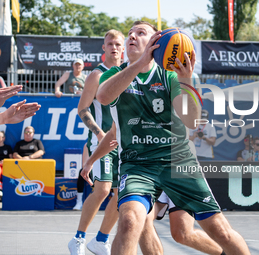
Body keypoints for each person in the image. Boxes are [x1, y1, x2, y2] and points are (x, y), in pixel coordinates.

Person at [82, 21, 250, 255]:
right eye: (130, 33)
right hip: (138, 164)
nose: (132, 37)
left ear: (156, 43)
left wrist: (187, 80)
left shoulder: (170, 76)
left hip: (177, 162)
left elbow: (191, 121)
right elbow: (102, 97)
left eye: (141, 33)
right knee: (131, 221)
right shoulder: (115, 74)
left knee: (212, 232)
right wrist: (139, 63)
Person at [68, 29, 125, 255]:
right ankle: (78, 238)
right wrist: (99, 133)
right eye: (109, 43)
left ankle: (100, 240)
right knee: (101, 190)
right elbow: (82, 108)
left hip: (124, 144)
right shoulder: (96, 75)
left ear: (123, 48)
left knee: (123, 194)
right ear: (104, 48)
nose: (114, 47)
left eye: (117, 43)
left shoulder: (129, 73)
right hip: (101, 140)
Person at [139, 191, 225, 255]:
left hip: (178, 175)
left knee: (183, 234)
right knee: (142, 217)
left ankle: (226, 252)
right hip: (151, 175)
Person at [72, 143, 90, 211]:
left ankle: (115, 199)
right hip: (92, 170)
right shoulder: (87, 145)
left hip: (104, 169)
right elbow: (84, 164)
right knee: (82, 172)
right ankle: (79, 202)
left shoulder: (107, 142)